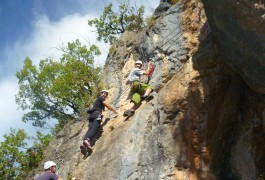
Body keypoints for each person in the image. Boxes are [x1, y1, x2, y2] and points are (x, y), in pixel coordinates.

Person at [80, 90, 119, 154]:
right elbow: (108, 106)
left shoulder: (97, 100)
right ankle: (87, 140)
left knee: (90, 129)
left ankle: (84, 144)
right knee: (95, 128)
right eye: (103, 93)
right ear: (100, 94)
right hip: (97, 114)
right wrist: (115, 112)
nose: (104, 95)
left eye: (106, 94)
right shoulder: (100, 98)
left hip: (91, 116)